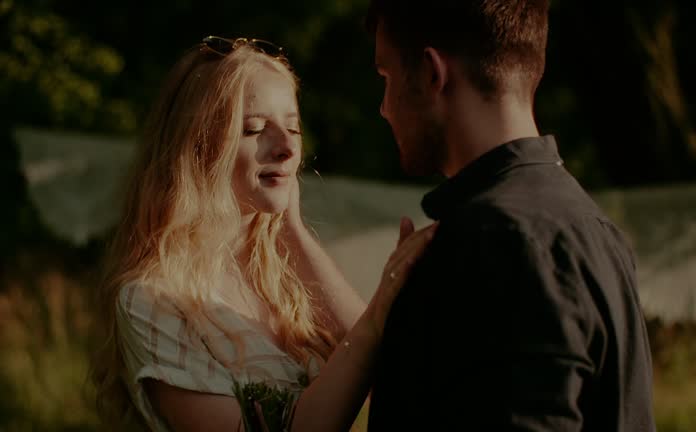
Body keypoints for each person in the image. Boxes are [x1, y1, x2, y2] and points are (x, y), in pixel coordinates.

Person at [89, 35, 437, 432]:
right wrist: (381, 310)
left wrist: (295, 233)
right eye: (255, 130)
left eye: (293, 127)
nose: (288, 147)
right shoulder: (151, 299)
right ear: (197, 148)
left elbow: (392, 375)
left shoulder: (283, 278)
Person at [366, 1, 656, 431]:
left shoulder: (497, 242)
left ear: (431, 73)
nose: (384, 108)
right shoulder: (589, 224)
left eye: (386, 78)